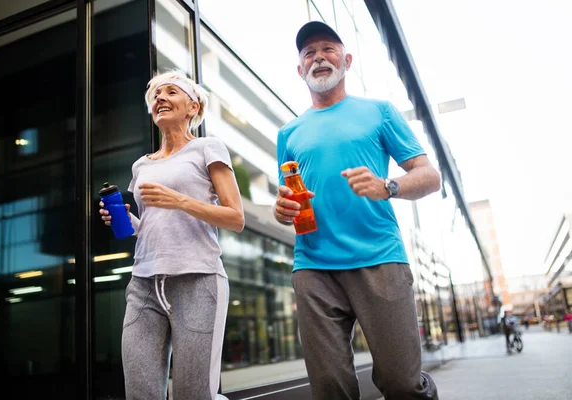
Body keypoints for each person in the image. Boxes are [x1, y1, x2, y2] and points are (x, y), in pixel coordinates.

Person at [273, 21, 441, 400]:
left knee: (401, 383)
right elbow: (288, 196)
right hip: (314, 266)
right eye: (309, 53)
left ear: (346, 60)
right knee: (330, 388)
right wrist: (281, 209)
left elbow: (430, 177)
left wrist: (388, 186)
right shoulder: (289, 133)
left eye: (328, 49)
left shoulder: (379, 112)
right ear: (300, 70)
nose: (318, 57)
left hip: (378, 257)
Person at [99, 69, 244, 400]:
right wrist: (127, 221)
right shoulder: (141, 166)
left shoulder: (208, 148)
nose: (160, 98)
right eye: (156, 96)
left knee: (194, 395)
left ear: (193, 107)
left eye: (171, 92)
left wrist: (180, 200)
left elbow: (236, 218)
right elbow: (153, 224)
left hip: (197, 280)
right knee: (141, 393)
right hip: (144, 285)